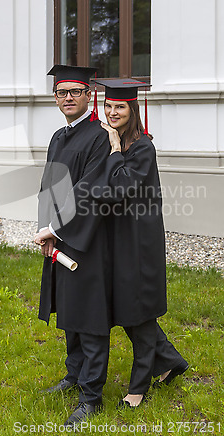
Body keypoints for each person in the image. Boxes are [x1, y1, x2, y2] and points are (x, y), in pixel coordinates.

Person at [92, 78, 189, 409]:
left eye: (119, 106)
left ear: (133, 110)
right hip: (119, 238)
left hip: (138, 243)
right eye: (108, 106)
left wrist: (115, 150)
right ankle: (171, 360)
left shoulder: (142, 147)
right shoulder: (118, 144)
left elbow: (119, 189)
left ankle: (138, 388)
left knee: (139, 314)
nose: (112, 112)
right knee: (131, 309)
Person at [34, 65, 112, 427]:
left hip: (87, 238)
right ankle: (74, 374)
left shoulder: (99, 137)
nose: (67, 98)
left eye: (75, 92)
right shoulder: (58, 136)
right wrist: (44, 227)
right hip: (59, 235)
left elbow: (90, 191)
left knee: (90, 316)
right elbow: (50, 187)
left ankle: (91, 396)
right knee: (68, 309)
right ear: (55, 98)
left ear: (88, 96)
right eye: (61, 92)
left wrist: (55, 228)